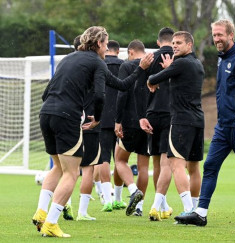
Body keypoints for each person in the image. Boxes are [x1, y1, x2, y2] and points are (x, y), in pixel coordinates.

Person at [31, 26, 153, 237]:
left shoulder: (69, 59)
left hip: (46, 113)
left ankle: (41, 213)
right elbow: (103, 94)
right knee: (71, 173)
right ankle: (51, 223)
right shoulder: (97, 62)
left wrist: (139, 69)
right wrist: (96, 118)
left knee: (58, 167)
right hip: (66, 116)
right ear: (98, 43)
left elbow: (46, 92)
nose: (107, 48)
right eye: (106, 44)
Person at [174, 19, 235, 228]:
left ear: (231, 35)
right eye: (214, 35)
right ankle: (201, 213)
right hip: (223, 127)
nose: (217, 39)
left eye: (220, 35)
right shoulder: (221, 59)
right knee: (210, 165)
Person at [147, 31, 203, 219]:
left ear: (189, 45)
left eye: (179, 42)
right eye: (173, 42)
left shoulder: (180, 63)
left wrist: (159, 76)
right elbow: (179, 82)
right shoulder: (197, 64)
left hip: (182, 120)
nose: (174, 46)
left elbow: (153, 79)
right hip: (197, 120)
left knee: (176, 164)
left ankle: (189, 209)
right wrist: (170, 71)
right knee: (194, 168)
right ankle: (194, 208)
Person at [133, 27, 176, 221]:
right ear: (173, 40)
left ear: (158, 42)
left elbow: (139, 88)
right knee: (168, 161)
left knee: (157, 161)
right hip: (171, 113)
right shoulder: (179, 57)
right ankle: (156, 205)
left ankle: (163, 206)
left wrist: (142, 115)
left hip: (152, 114)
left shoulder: (149, 59)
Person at [114, 40, 150, 216]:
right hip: (149, 122)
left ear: (130, 52)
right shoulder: (153, 65)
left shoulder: (127, 66)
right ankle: (140, 208)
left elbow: (122, 93)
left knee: (120, 160)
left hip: (130, 119)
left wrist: (118, 120)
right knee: (144, 166)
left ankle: (133, 190)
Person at [97, 40, 126, 212]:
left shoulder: (98, 65)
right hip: (121, 118)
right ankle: (119, 198)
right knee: (120, 160)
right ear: (119, 50)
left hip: (102, 117)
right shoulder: (124, 66)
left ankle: (107, 199)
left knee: (104, 159)